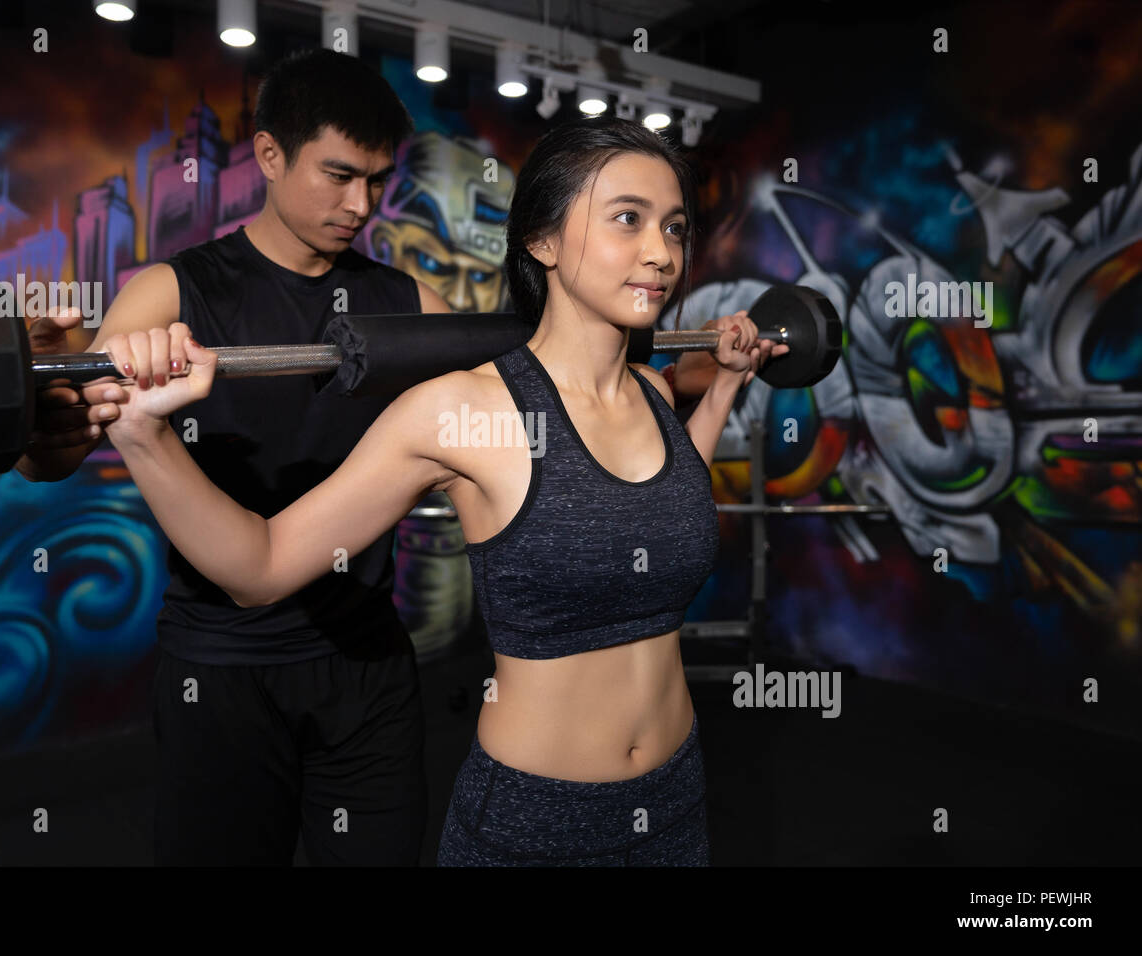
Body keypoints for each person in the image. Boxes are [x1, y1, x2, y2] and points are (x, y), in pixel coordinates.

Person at [97, 115, 787, 866]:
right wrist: (145, 436)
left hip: (676, 803)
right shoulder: (460, 412)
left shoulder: (655, 396)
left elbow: (665, 511)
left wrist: (719, 391)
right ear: (543, 240)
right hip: (534, 825)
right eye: (628, 219)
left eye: (675, 228)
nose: (662, 254)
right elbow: (259, 567)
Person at [14, 48, 452, 865]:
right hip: (220, 668)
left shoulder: (409, 306)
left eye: (376, 180)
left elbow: (517, 404)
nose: (360, 204)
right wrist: (45, 406)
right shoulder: (173, 292)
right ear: (271, 155)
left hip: (367, 664)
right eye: (338, 175)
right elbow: (55, 452)